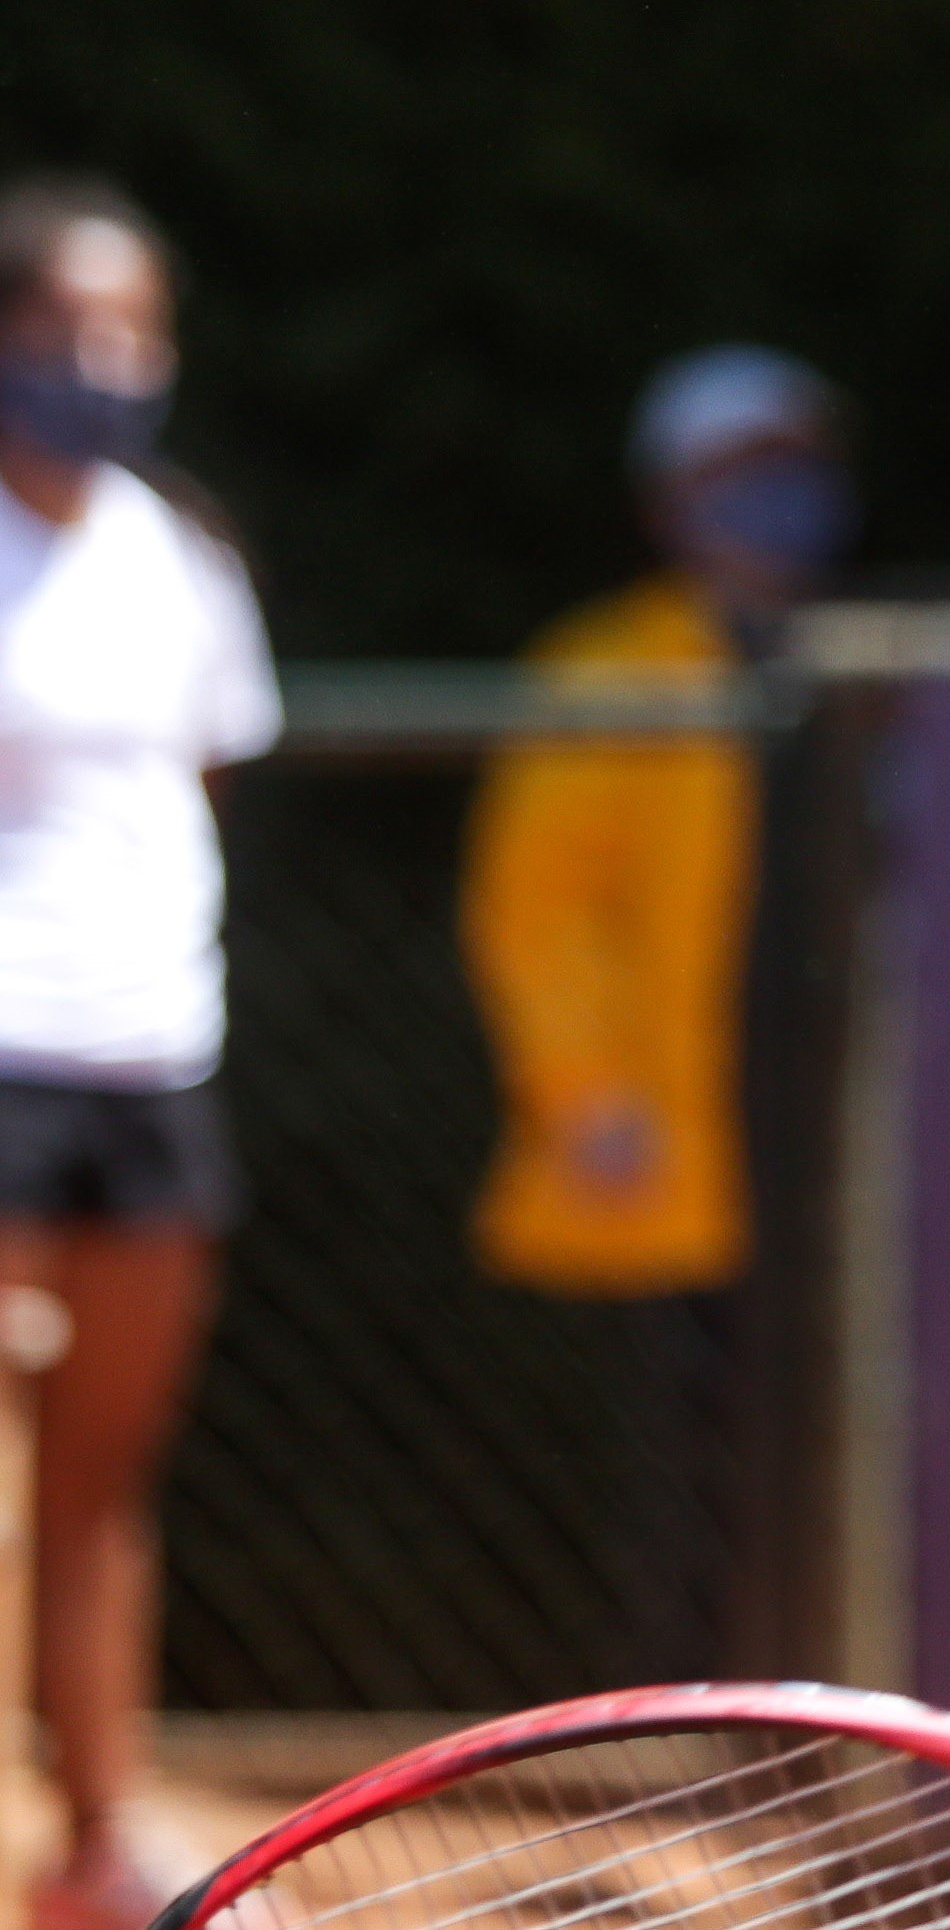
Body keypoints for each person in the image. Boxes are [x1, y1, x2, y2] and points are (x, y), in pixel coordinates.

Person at [0, 179, 275, 1930]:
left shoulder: (184, 557)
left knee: (101, 1478)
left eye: (129, 333)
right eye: (59, 329)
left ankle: (100, 1840)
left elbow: (206, 778)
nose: (99, 363)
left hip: (152, 1070)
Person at [464, 347, 852, 1298]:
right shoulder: (602, 671)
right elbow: (536, 908)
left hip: (836, 1129)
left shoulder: (867, 667)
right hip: (665, 1149)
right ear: (666, 502)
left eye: (796, 460)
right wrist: (587, 1091)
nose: (775, 492)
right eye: (737, 470)